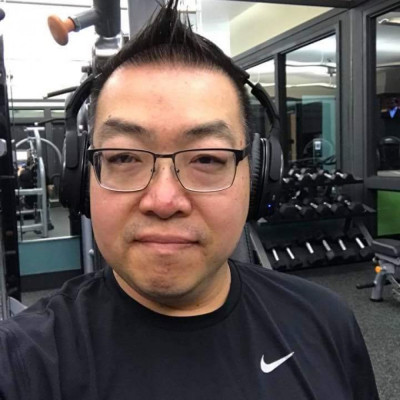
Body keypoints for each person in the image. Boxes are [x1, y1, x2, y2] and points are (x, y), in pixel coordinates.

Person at [0, 1, 379, 399]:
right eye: (124, 157)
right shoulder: (21, 364)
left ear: (257, 178)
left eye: (206, 159)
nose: (164, 200)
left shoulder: (326, 321)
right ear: (82, 179)